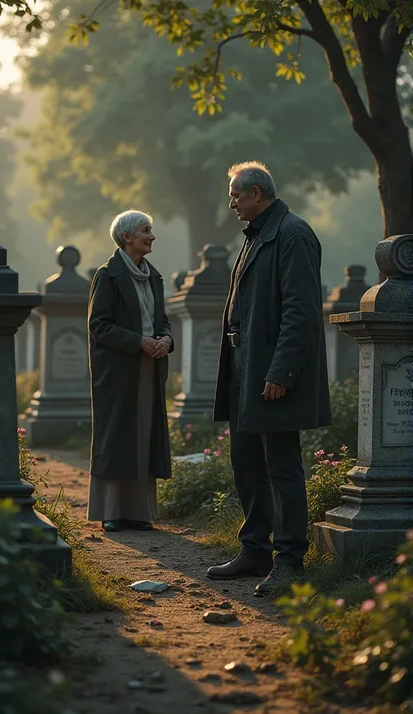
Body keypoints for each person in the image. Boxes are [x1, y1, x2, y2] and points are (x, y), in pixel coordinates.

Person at [208, 161, 331, 596]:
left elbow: (300, 311)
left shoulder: (293, 234)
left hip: (272, 372)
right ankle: (255, 549)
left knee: (281, 467)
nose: (231, 203)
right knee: (247, 464)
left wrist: (282, 371)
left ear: (256, 192)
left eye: (235, 196)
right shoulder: (258, 233)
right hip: (246, 368)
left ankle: (290, 560)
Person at [87, 209, 173, 532]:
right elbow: (99, 326)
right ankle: (112, 510)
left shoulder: (155, 277)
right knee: (118, 437)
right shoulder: (107, 276)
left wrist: (166, 339)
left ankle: (138, 511)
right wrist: (139, 341)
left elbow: (162, 321)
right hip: (119, 372)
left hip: (150, 369)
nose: (152, 236)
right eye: (145, 230)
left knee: (144, 436)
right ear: (126, 237)